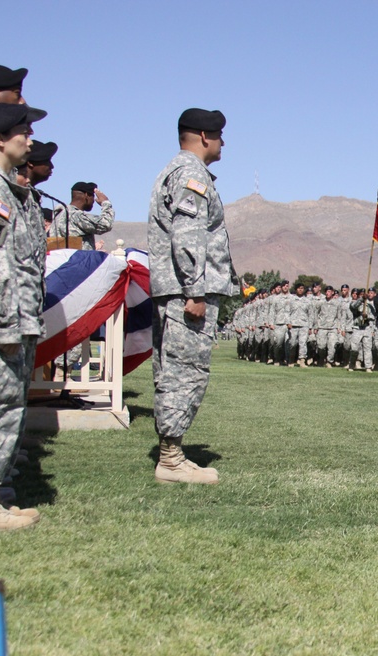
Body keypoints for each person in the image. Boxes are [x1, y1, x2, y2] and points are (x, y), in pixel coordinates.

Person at [148, 108, 237, 484]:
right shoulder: (191, 174)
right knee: (185, 372)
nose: (223, 142)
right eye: (218, 135)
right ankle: (170, 459)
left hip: (176, 290)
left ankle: (171, 452)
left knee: (174, 371)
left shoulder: (179, 171)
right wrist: (194, 290)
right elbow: (187, 236)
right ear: (203, 136)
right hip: (186, 293)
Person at [0, 103, 48, 529]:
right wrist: (6, 323)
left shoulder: (6, 187)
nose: (30, 137)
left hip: (12, 318)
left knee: (6, 406)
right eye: (23, 129)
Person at [48, 180, 114, 250]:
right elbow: (106, 224)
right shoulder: (76, 216)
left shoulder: (60, 214)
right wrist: (105, 203)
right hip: (77, 260)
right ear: (86, 195)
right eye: (92, 196)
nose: (93, 201)